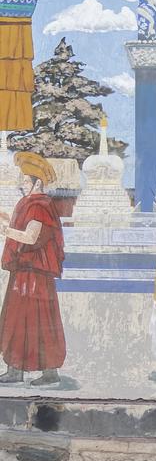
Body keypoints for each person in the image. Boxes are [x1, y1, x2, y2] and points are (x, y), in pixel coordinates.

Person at [0, 152, 66, 386]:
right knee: (16, 318)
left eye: (26, 181)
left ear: (38, 182)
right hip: (23, 271)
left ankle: (49, 372)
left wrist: (5, 231)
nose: (22, 185)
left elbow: (31, 236)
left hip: (35, 274)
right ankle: (15, 368)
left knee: (39, 320)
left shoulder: (40, 205)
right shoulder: (27, 203)